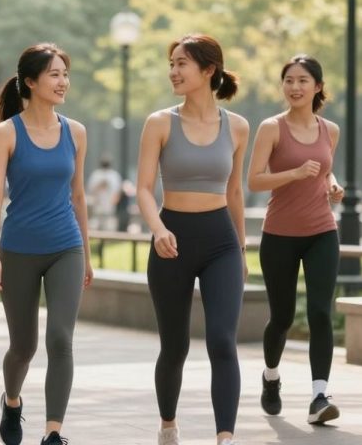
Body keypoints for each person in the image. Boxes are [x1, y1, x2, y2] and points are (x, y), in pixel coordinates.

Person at [135, 34, 248, 445]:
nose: (173, 71)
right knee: (175, 346)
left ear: (208, 69)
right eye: (172, 64)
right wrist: (158, 229)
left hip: (221, 243)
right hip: (172, 241)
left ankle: (225, 437)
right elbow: (143, 188)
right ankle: (168, 425)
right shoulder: (160, 123)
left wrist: (241, 250)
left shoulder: (238, 127)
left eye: (181, 63)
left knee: (222, 340)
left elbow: (234, 193)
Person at [0, 43, 93, 445]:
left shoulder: (75, 132)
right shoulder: (6, 133)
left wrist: (87, 254)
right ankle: (12, 401)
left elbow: (78, 196)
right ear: (30, 81)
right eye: (54, 74)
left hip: (66, 247)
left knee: (60, 339)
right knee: (23, 347)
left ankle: (53, 433)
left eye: (65, 74)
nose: (63, 82)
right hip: (19, 250)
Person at [246, 55, 343, 424]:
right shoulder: (272, 128)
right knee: (282, 317)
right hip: (279, 235)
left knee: (320, 312)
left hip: (322, 231)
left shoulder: (330, 130)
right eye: (289, 80)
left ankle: (320, 396)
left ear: (317, 87)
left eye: (303, 80)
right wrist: (294, 173)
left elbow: (325, 171)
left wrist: (333, 185)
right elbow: (254, 180)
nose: (295, 87)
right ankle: (271, 377)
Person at [86, 157, 122, 231]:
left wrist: (114, 201)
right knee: (95, 228)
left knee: (109, 229)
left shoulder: (114, 175)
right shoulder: (96, 174)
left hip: (109, 208)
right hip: (97, 208)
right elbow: (90, 190)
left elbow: (118, 191)